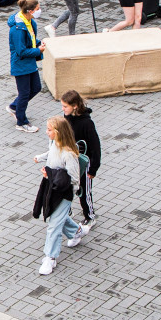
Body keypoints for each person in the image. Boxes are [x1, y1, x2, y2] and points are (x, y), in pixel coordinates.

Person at [32, 116, 89, 275]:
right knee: (57, 218)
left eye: (49, 130)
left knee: (54, 225)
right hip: (51, 187)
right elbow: (51, 153)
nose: (46, 132)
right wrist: (40, 158)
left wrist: (51, 176)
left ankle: (50, 257)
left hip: (63, 192)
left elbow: (74, 178)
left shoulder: (69, 154)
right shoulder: (54, 143)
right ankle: (77, 232)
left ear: (58, 132)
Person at [61, 90, 101, 224]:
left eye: (65, 106)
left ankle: (90, 217)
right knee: (66, 185)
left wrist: (93, 169)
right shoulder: (67, 117)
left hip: (85, 161)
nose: (63, 109)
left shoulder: (87, 124)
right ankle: (68, 210)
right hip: (70, 159)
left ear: (75, 106)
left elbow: (95, 147)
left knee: (84, 190)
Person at [8, 0, 47, 133]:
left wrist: (37, 43)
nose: (39, 11)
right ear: (30, 11)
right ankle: (22, 122)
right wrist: (38, 50)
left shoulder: (29, 22)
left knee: (36, 87)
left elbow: (30, 38)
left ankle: (14, 106)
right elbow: (21, 51)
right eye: (37, 9)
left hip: (29, 63)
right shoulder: (17, 29)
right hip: (21, 65)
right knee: (24, 93)